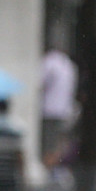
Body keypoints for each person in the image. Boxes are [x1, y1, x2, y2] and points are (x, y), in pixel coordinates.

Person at [40, 46, 77, 176]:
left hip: (49, 109)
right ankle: (58, 168)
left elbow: (41, 83)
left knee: (48, 143)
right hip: (65, 109)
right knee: (59, 142)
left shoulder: (49, 62)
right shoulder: (69, 64)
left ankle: (49, 169)